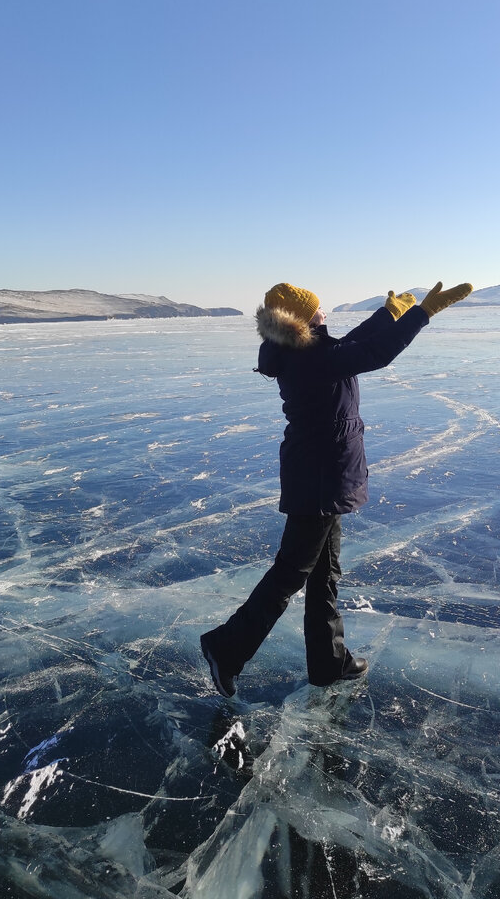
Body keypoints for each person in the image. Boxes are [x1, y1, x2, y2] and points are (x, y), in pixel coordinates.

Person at [200, 278, 473, 696]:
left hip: (321, 473)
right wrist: (421, 314)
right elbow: (372, 353)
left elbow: (349, 345)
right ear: (300, 319)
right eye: (318, 310)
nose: (324, 313)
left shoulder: (306, 351)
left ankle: (329, 662)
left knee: (324, 572)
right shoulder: (309, 358)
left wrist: (388, 314)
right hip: (320, 476)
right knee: (292, 571)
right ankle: (226, 646)